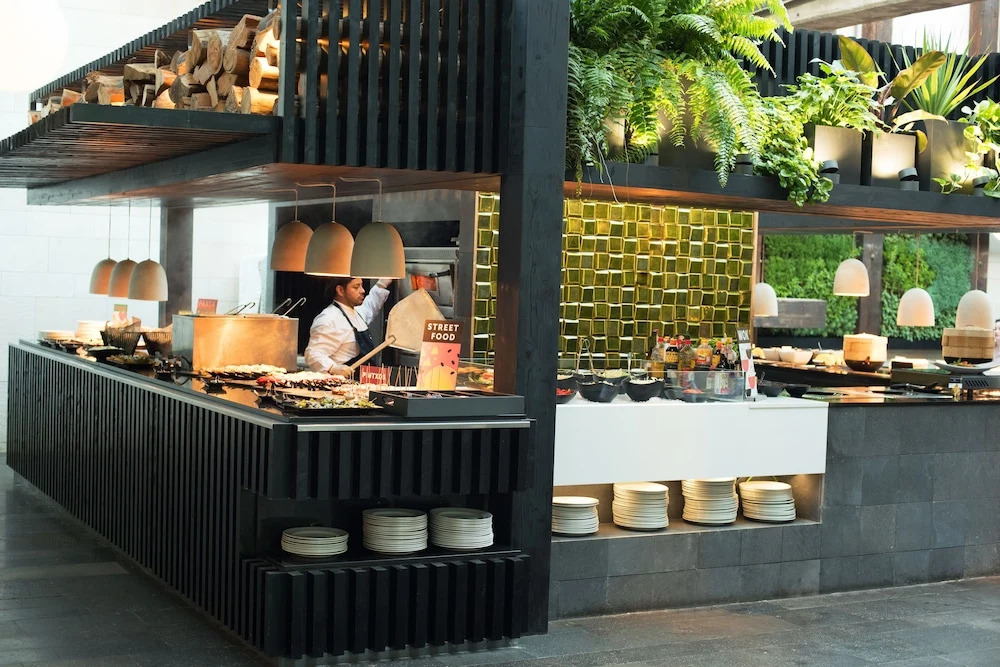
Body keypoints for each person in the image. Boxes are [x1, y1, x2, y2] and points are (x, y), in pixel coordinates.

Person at [305, 277, 393, 376]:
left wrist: (382, 284)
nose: (362, 291)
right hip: (343, 382)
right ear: (340, 290)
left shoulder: (356, 313)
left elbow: (369, 306)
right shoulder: (329, 319)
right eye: (356, 287)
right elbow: (313, 353)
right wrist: (332, 368)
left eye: (361, 285)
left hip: (364, 381)